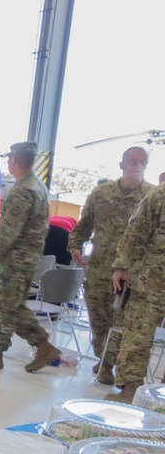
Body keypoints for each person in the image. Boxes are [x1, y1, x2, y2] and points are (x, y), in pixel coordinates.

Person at [0, 142, 61, 372]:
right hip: (25, 259)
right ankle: (38, 346)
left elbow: (9, 236)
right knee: (13, 307)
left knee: (0, 307)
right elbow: (23, 227)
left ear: (16, 161)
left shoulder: (23, 190)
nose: (8, 162)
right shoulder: (37, 186)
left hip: (13, 261)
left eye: (10, 159)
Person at [67, 146, 154, 385]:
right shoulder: (100, 193)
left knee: (120, 321)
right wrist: (75, 245)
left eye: (141, 161)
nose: (136, 165)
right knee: (98, 319)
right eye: (131, 161)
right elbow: (83, 226)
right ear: (121, 164)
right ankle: (102, 357)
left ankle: (108, 365)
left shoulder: (151, 196)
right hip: (98, 270)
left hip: (130, 276)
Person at [105, 184, 165, 402]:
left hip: (152, 280)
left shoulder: (159, 194)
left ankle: (130, 392)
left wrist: (121, 266)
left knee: (139, 334)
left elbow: (136, 230)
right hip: (152, 279)